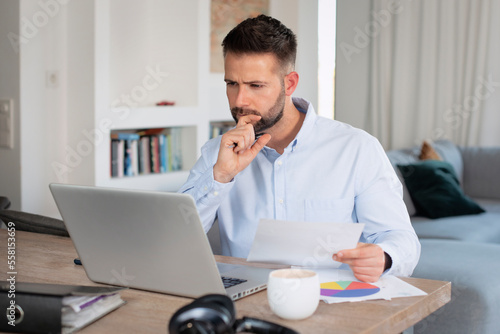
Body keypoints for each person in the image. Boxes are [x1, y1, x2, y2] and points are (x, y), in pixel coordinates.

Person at [179, 15, 420, 282]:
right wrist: (220, 177)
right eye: (231, 83)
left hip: (333, 303)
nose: (240, 100)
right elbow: (173, 241)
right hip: (245, 305)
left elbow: (401, 239)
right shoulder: (217, 153)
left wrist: (384, 257)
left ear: (289, 84)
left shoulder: (356, 149)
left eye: (255, 86)